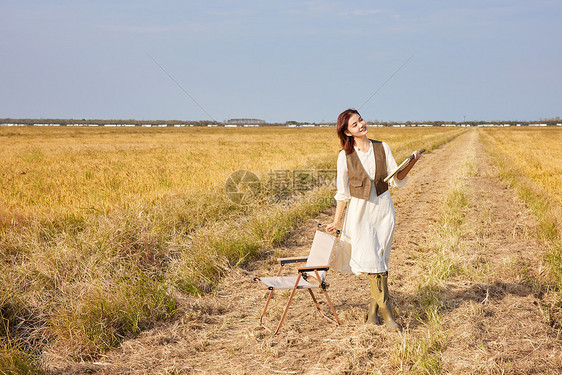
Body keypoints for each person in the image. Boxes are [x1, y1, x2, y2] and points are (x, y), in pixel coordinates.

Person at [326, 108, 421, 332]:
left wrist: (412, 162)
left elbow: (396, 179)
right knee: (373, 263)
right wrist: (337, 221)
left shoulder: (382, 147)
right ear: (348, 133)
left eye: (361, 120)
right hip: (360, 214)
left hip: (384, 210)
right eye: (355, 125)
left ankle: (371, 315)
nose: (361, 125)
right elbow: (342, 193)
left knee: (380, 261)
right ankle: (387, 314)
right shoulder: (344, 156)